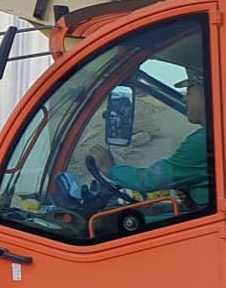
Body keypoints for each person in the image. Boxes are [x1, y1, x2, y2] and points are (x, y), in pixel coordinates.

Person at [90, 73, 210, 205]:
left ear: (209, 96)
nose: (184, 99)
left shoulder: (204, 140)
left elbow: (151, 180)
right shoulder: (212, 136)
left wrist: (110, 169)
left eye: (190, 93)